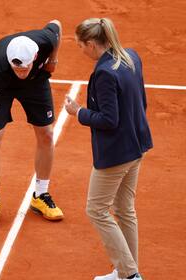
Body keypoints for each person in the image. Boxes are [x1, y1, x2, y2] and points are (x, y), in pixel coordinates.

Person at [65, 18, 153, 280]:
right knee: (125, 210)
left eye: (81, 46)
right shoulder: (131, 57)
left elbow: (108, 120)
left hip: (117, 154)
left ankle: (129, 275)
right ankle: (127, 271)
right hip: (137, 144)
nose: (81, 50)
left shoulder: (104, 74)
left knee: (96, 210)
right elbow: (142, 101)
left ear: (91, 44)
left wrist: (78, 112)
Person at [0, 20, 64, 227]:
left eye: (24, 68)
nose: (20, 72)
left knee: (47, 134)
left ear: (34, 57)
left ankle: (40, 195)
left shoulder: (45, 42)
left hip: (36, 83)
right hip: (3, 88)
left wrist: (53, 60)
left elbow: (56, 25)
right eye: (17, 68)